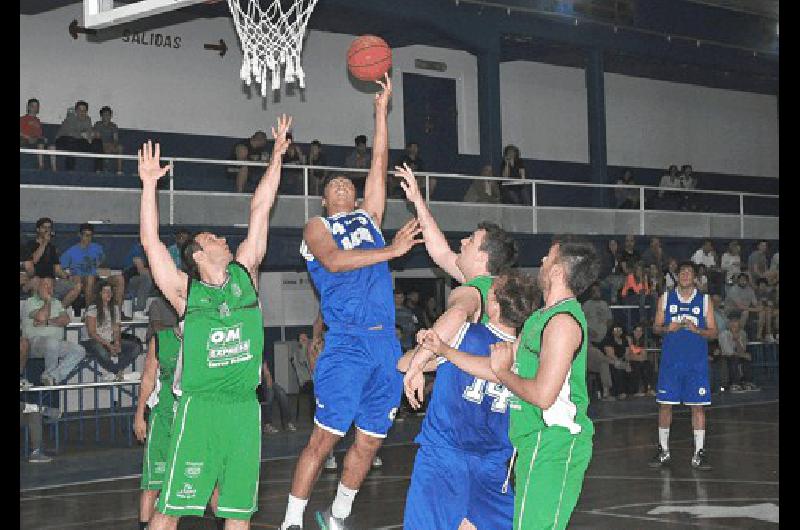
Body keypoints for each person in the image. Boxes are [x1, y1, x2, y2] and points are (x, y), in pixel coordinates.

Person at [138, 114, 291, 529]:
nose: (224, 240)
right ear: (198, 256)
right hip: (199, 410)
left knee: (237, 512)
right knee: (170, 509)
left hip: (244, 408)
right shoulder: (186, 292)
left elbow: (260, 207)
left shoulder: (246, 275)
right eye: (213, 239)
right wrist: (149, 185)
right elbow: (151, 244)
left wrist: (276, 157)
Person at [282, 75, 416, 530]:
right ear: (324, 198)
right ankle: (291, 522)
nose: (342, 186)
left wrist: (381, 112)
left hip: (385, 347)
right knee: (324, 439)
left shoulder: (370, 218)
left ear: (357, 196)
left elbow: (379, 161)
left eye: (347, 184)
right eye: (334, 185)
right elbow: (336, 263)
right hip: (345, 344)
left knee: (370, 440)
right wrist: (391, 252)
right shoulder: (316, 226)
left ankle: (337, 517)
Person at [399, 271, 538, 530]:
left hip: (444, 453)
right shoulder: (530, 357)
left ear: (493, 303)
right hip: (493, 463)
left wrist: (423, 352)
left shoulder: (463, 335)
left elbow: (403, 364)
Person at [489, 237, 600, 530]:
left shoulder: (563, 322)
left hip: (554, 440)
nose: (541, 262)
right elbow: (497, 363)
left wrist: (503, 373)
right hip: (531, 440)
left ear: (557, 272)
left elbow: (542, 395)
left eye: (548, 258)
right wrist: (442, 352)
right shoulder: (540, 317)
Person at [134, 326, 221, 530]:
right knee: (153, 483)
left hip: (195, 422)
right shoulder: (161, 340)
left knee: (211, 480)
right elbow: (148, 378)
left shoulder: (205, 336)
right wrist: (140, 414)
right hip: (164, 418)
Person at [650, 261, 718, 470]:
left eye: (689, 272)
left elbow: (714, 332)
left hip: (695, 364)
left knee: (698, 407)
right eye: (682, 271)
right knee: (665, 406)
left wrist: (698, 330)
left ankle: (699, 453)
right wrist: (665, 328)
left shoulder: (705, 300)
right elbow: (655, 327)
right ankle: (663, 451)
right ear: (678, 276)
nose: (685, 275)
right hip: (671, 363)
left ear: (695, 277)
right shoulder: (666, 298)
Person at [22, 277, 87, 386]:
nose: (48, 288)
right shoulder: (30, 302)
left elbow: (66, 320)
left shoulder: (57, 303)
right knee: (52, 342)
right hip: (34, 344)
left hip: (55, 343)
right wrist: (47, 301)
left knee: (79, 350)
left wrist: (47, 322)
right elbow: (41, 317)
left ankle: (53, 377)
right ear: (38, 287)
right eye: (45, 285)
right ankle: (48, 374)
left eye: (51, 286)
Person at [81, 281, 141, 381]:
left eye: (110, 292)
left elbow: (116, 329)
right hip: (91, 341)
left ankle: (113, 373)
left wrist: (117, 343)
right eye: (105, 291)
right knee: (101, 350)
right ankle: (119, 373)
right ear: (99, 293)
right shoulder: (93, 308)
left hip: (109, 340)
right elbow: (92, 333)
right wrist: (109, 345)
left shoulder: (115, 308)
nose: (109, 294)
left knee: (135, 348)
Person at [60, 223, 124, 311]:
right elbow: (59, 267)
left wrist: (100, 267)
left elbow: (102, 261)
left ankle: (117, 313)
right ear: (80, 235)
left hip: (96, 278)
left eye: (90, 236)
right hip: (80, 280)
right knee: (90, 278)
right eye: (86, 235)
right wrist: (68, 276)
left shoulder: (97, 248)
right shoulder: (71, 251)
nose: (88, 238)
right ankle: (89, 312)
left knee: (119, 279)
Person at [21, 217, 82, 309]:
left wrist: (68, 277)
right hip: (36, 280)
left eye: (49, 228)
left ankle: (58, 310)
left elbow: (57, 269)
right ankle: (39, 310)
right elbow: (33, 261)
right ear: (38, 229)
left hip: (52, 281)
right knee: (39, 282)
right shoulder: (30, 245)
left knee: (77, 286)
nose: (47, 230)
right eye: (44, 227)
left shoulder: (52, 248)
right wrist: (44, 243)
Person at [54, 100, 104, 171]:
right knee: (71, 140)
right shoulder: (70, 118)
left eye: (84, 110)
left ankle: (98, 170)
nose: (82, 112)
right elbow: (70, 133)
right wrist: (83, 135)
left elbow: (89, 133)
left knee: (97, 142)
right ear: (76, 111)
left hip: (79, 142)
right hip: (63, 141)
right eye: (80, 110)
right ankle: (70, 170)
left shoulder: (88, 119)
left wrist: (94, 135)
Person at [20, 97, 56, 171]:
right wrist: (28, 137)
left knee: (51, 144)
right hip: (26, 139)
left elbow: (39, 134)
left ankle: (54, 168)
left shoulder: (37, 121)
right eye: (33, 106)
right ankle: (41, 166)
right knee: (40, 142)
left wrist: (43, 138)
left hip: (36, 139)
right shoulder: (23, 119)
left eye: (37, 106)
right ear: (29, 107)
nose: (35, 108)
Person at [93, 106, 125, 174]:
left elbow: (115, 139)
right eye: (105, 115)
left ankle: (119, 170)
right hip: (101, 144)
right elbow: (97, 137)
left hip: (111, 144)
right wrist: (106, 145)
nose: (107, 117)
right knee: (105, 148)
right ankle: (105, 169)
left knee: (120, 148)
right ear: (101, 116)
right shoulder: (98, 124)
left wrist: (114, 145)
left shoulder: (113, 126)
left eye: (108, 115)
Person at [627, 324, 655, 396]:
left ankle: (648, 389)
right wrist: (639, 355)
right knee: (638, 364)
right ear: (633, 331)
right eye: (637, 330)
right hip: (628, 360)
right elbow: (630, 353)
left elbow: (644, 356)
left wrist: (640, 355)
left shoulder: (643, 341)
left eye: (640, 331)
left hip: (639, 361)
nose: (638, 333)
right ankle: (637, 390)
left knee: (647, 364)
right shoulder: (629, 339)